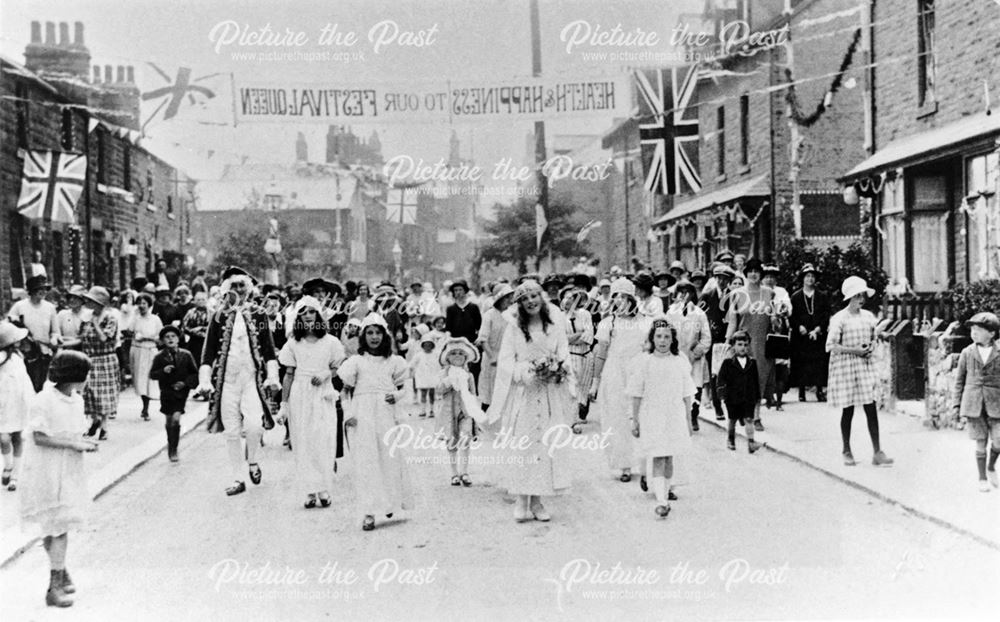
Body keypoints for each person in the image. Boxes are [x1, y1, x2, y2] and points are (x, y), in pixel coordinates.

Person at [486, 280, 574, 522]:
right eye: (526, 299)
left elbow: (563, 352)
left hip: (547, 394)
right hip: (525, 393)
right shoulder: (514, 327)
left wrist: (559, 369)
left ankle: (537, 501)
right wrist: (524, 372)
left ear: (541, 298)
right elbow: (506, 360)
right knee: (524, 445)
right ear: (520, 304)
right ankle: (521, 500)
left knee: (544, 447)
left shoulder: (554, 325)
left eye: (535, 296)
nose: (531, 301)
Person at [19, 350, 98, 608]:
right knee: (57, 524)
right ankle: (53, 587)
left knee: (57, 523)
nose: (88, 379)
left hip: (69, 470)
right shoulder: (44, 400)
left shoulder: (76, 400)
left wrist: (83, 442)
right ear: (72, 376)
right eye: (85, 374)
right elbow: (39, 437)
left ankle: (61, 572)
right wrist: (73, 445)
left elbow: (71, 432)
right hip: (46, 470)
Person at [197, 267, 282, 496]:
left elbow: (268, 349)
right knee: (232, 432)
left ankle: (252, 460)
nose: (238, 290)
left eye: (241, 286)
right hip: (227, 382)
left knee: (254, 425)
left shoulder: (259, 314)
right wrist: (205, 381)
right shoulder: (218, 315)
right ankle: (237, 477)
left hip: (251, 380)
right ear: (226, 290)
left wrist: (272, 377)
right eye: (233, 286)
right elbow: (208, 352)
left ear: (248, 288)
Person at [337, 313, 413, 531]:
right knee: (366, 461)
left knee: (389, 458)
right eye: (369, 333)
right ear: (363, 337)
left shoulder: (394, 362)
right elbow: (345, 392)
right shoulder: (356, 362)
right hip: (362, 415)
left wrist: (397, 396)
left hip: (386, 413)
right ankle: (368, 511)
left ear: (385, 335)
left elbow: (405, 388)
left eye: (378, 333)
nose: (374, 337)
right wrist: (348, 412)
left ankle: (389, 502)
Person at [277, 296, 346, 508]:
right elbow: (288, 374)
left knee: (323, 438)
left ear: (318, 315)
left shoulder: (331, 342)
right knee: (303, 440)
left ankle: (324, 488)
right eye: (303, 312)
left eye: (311, 312)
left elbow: (338, 366)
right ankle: (308, 490)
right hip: (301, 393)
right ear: (298, 317)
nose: (308, 316)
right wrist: (284, 405)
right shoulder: (293, 343)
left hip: (322, 392)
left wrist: (327, 373)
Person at [627, 318, 695, 517]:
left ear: (673, 339)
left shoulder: (679, 361)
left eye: (667, 337)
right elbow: (636, 393)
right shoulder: (645, 362)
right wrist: (635, 419)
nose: (663, 340)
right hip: (652, 414)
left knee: (669, 456)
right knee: (658, 455)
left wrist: (688, 420)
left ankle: (665, 493)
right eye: (658, 336)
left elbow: (687, 393)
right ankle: (661, 500)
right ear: (652, 338)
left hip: (674, 415)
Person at [826, 276, 893, 467]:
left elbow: (873, 337)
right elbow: (831, 345)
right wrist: (855, 351)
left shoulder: (868, 317)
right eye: (857, 296)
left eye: (862, 295)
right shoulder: (839, 318)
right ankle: (846, 450)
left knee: (870, 407)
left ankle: (877, 451)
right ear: (849, 298)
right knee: (848, 409)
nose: (861, 299)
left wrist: (870, 347)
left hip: (864, 365)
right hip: (846, 366)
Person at [590, 278, 651, 483]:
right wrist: (595, 382)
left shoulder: (645, 322)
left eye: (625, 297)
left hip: (639, 373)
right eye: (616, 297)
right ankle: (624, 465)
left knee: (640, 416)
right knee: (617, 419)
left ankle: (644, 464)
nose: (621, 302)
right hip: (614, 374)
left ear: (633, 299)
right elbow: (600, 354)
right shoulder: (608, 323)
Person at [952, 312, 1000, 492]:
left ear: (992, 333)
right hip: (973, 404)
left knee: (998, 441)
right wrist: (956, 406)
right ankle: (982, 478)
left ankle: (991, 466)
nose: (974, 333)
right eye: (972, 329)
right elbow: (959, 381)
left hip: (996, 403)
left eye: (979, 329)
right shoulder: (967, 352)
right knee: (980, 441)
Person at [724, 258, 774, 431]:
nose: (754, 274)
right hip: (742, 342)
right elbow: (732, 320)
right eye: (750, 271)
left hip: (762, 343)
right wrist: (728, 341)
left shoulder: (769, 292)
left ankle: (756, 416)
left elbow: (774, 317)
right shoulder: (738, 294)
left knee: (759, 378)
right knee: (742, 380)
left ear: (761, 274)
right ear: (746, 273)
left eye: (757, 271)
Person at [666, 279, 711, 431]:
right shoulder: (671, 312)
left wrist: (697, 350)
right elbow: (665, 333)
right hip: (676, 355)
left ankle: (693, 416)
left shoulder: (699, 314)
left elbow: (706, 337)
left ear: (693, 294)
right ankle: (678, 417)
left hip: (694, 358)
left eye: (688, 292)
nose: (684, 296)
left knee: (695, 387)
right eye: (681, 292)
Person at [149, 326, 198, 462]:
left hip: (181, 393)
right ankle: (170, 443)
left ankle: (173, 449)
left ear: (178, 339)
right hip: (166, 392)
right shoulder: (159, 357)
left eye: (173, 336)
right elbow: (152, 374)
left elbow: (194, 373)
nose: (170, 339)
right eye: (167, 337)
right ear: (162, 340)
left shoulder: (186, 355)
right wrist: (163, 371)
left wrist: (185, 383)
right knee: (169, 420)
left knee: (176, 419)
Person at [436, 337, 481, 487]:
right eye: (453, 353)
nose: (457, 356)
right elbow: (439, 390)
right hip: (449, 412)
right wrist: (449, 381)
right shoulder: (444, 374)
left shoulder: (468, 375)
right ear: (447, 357)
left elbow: (473, 394)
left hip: (465, 412)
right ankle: (454, 473)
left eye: (461, 353)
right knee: (452, 442)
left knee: (465, 438)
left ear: (466, 357)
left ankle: (464, 471)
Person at [79, 287, 120, 440]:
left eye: (91, 301)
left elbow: (104, 338)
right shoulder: (86, 317)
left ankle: (104, 427)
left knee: (103, 393)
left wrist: (96, 323)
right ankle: (95, 421)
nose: (88, 303)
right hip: (90, 358)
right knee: (89, 392)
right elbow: (82, 338)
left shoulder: (109, 317)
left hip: (105, 359)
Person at [6, 275, 60, 392]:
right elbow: (8, 326)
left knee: (40, 386)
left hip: (44, 353)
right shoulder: (19, 306)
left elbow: (56, 332)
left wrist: (54, 339)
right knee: (24, 385)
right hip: (25, 352)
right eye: (39, 289)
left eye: (45, 289)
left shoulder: (50, 308)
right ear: (31, 291)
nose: (42, 292)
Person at [717, 331, 765, 453]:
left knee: (749, 419)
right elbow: (721, 379)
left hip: (748, 396)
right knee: (733, 419)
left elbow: (755, 380)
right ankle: (731, 438)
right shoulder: (728, 363)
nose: (743, 347)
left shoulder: (752, 363)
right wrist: (722, 393)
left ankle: (751, 442)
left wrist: (757, 396)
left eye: (745, 345)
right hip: (732, 397)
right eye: (739, 344)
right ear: (733, 346)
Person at [1, 321, 35, 492]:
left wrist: (30, 401)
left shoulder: (19, 358)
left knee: (18, 437)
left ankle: (15, 474)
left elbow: (25, 381)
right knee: (4, 437)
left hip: (18, 401)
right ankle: (7, 466)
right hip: (3, 402)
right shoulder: (1, 358)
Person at [790, 264, 830, 402]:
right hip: (801, 335)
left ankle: (819, 390)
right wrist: (799, 326)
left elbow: (826, 315)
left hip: (817, 334)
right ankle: (801, 391)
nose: (810, 279)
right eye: (807, 276)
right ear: (802, 278)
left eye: (812, 276)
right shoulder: (795, 297)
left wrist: (818, 329)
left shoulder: (822, 296)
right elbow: (792, 316)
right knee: (801, 362)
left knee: (819, 362)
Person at [702, 264, 735, 421]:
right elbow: (699, 316)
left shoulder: (734, 296)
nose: (722, 281)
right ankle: (717, 406)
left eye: (725, 279)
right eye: (719, 278)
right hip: (712, 339)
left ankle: (729, 403)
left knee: (729, 372)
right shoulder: (708, 295)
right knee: (714, 373)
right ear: (715, 279)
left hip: (729, 338)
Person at [477, 283, 515, 411]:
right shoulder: (490, 315)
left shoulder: (513, 314)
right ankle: (484, 421)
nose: (509, 301)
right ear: (499, 299)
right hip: (491, 357)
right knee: (489, 391)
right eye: (506, 298)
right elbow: (483, 339)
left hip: (508, 357)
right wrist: (492, 356)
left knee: (507, 391)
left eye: (511, 297)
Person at [129, 293, 163, 421]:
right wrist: (134, 314)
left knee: (148, 378)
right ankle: (144, 405)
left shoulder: (155, 319)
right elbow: (129, 330)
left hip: (150, 351)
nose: (141, 306)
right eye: (139, 303)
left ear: (149, 305)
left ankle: (146, 408)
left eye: (144, 303)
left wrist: (146, 338)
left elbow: (161, 338)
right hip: (137, 351)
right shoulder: (136, 318)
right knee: (139, 379)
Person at [445, 280, 482, 386]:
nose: (458, 292)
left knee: (473, 366)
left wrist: (478, 339)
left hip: (471, 340)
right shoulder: (451, 309)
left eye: (460, 290)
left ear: (465, 291)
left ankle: (473, 388)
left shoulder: (473, 307)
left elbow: (479, 326)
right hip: (456, 341)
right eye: (455, 290)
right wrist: (447, 339)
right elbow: (448, 327)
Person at [182, 290, 210, 365]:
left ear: (206, 300)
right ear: (194, 301)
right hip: (193, 342)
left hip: (207, 341)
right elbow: (184, 326)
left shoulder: (211, 313)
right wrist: (192, 331)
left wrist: (201, 328)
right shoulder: (190, 312)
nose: (201, 301)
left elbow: (214, 327)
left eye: (203, 299)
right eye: (198, 300)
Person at [56, 285, 87, 351]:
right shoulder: (62, 314)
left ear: (82, 300)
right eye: (70, 297)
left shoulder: (88, 315)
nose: (72, 300)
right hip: (67, 351)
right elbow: (56, 334)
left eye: (75, 297)